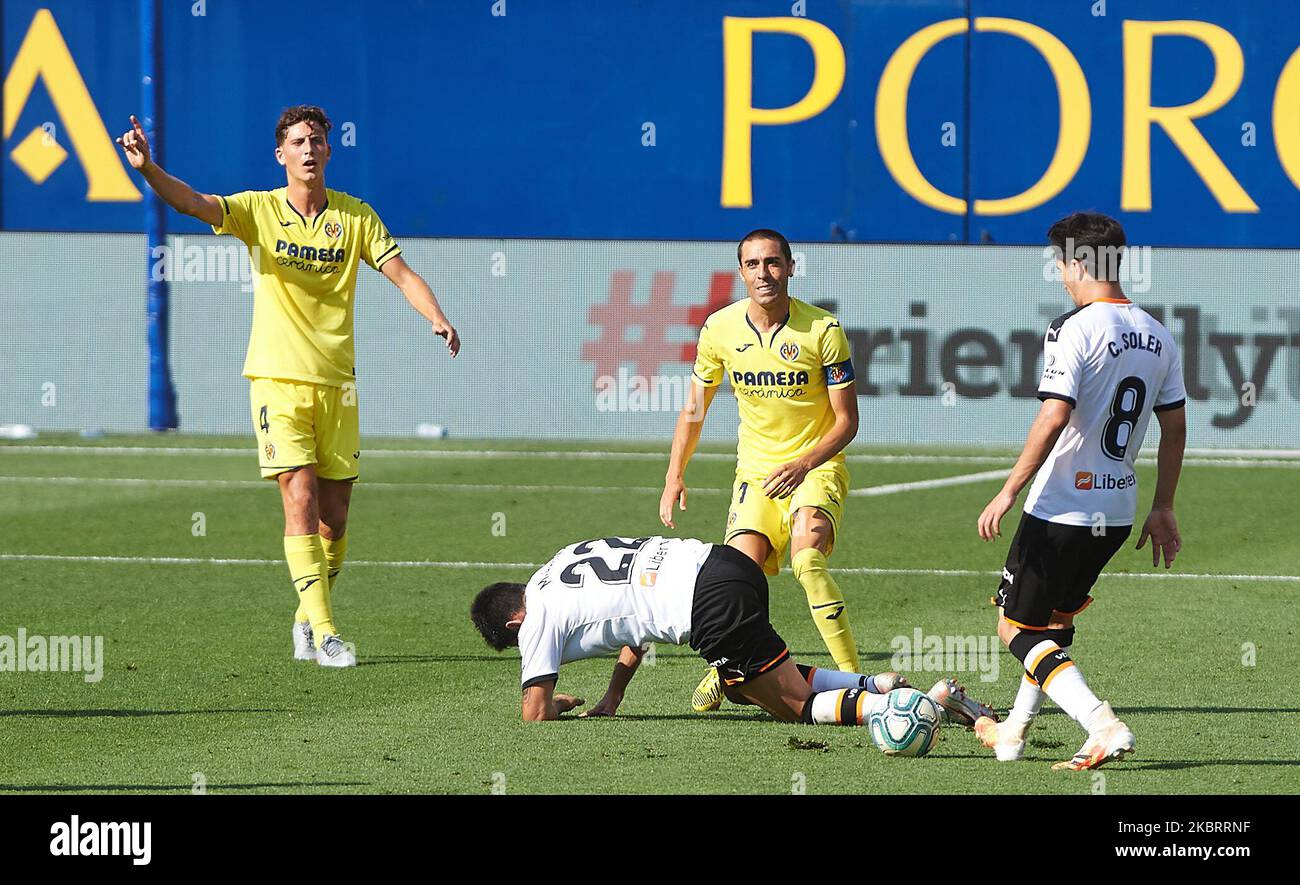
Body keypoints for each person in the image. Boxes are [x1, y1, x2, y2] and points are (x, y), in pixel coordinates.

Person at [117, 106, 460, 667]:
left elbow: (400, 272)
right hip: (277, 380)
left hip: (337, 386)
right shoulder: (257, 210)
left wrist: (436, 315)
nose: (308, 149)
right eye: (298, 141)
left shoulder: (354, 216)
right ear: (281, 155)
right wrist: (148, 169)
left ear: (328, 151)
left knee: (336, 517)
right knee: (297, 496)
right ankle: (326, 633)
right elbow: (193, 203)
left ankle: (305, 615)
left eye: (317, 140)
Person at [974, 212, 1186, 770]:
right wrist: (1163, 505)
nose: (1061, 276)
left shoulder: (1074, 327)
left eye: (1061, 264)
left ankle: (1100, 722)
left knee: (1013, 627)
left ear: (1078, 264)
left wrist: (1008, 490)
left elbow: (1053, 414)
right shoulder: (1158, 334)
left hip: (1062, 506)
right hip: (1116, 509)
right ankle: (1013, 732)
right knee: (1053, 625)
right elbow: (1175, 426)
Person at [470, 535, 993, 727]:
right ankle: (874, 686)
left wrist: (559, 702)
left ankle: (918, 706)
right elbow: (632, 619)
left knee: (793, 708)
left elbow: (533, 713)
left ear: (513, 623)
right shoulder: (563, 560)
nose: (526, 649)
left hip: (709, 606)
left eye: (515, 643)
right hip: (726, 563)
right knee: (746, 688)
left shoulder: (535, 617)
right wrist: (612, 696)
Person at [661, 229, 862, 714]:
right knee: (735, 579)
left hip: (815, 466)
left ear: (790, 267)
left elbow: (847, 422)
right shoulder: (719, 330)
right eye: (753, 264)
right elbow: (694, 409)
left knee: (807, 563)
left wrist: (804, 463)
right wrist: (674, 476)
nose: (763, 273)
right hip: (756, 475)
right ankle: (724, 667)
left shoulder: (823, 330)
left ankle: (855, 681)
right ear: (741, 272)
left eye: (773, 263)